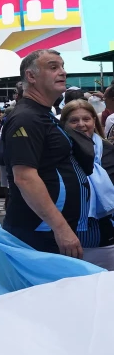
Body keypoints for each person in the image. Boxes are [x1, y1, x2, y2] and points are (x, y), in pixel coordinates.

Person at [2, 49, 93, 259]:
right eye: (53, 67)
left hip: (49, 233)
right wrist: (61, 228)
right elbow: (25, 178)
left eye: (62, 67)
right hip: (39, 235)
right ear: (31, 77)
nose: (62, 72)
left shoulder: (42, 115)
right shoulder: (26, 118)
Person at [60, 99, 114, 269]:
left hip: (107, 238)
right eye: (74, 120)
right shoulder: (57, 153)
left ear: (94, 121)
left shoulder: (108, 149)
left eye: (86, 119)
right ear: (64, 124)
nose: (81, 125)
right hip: (68, 239)